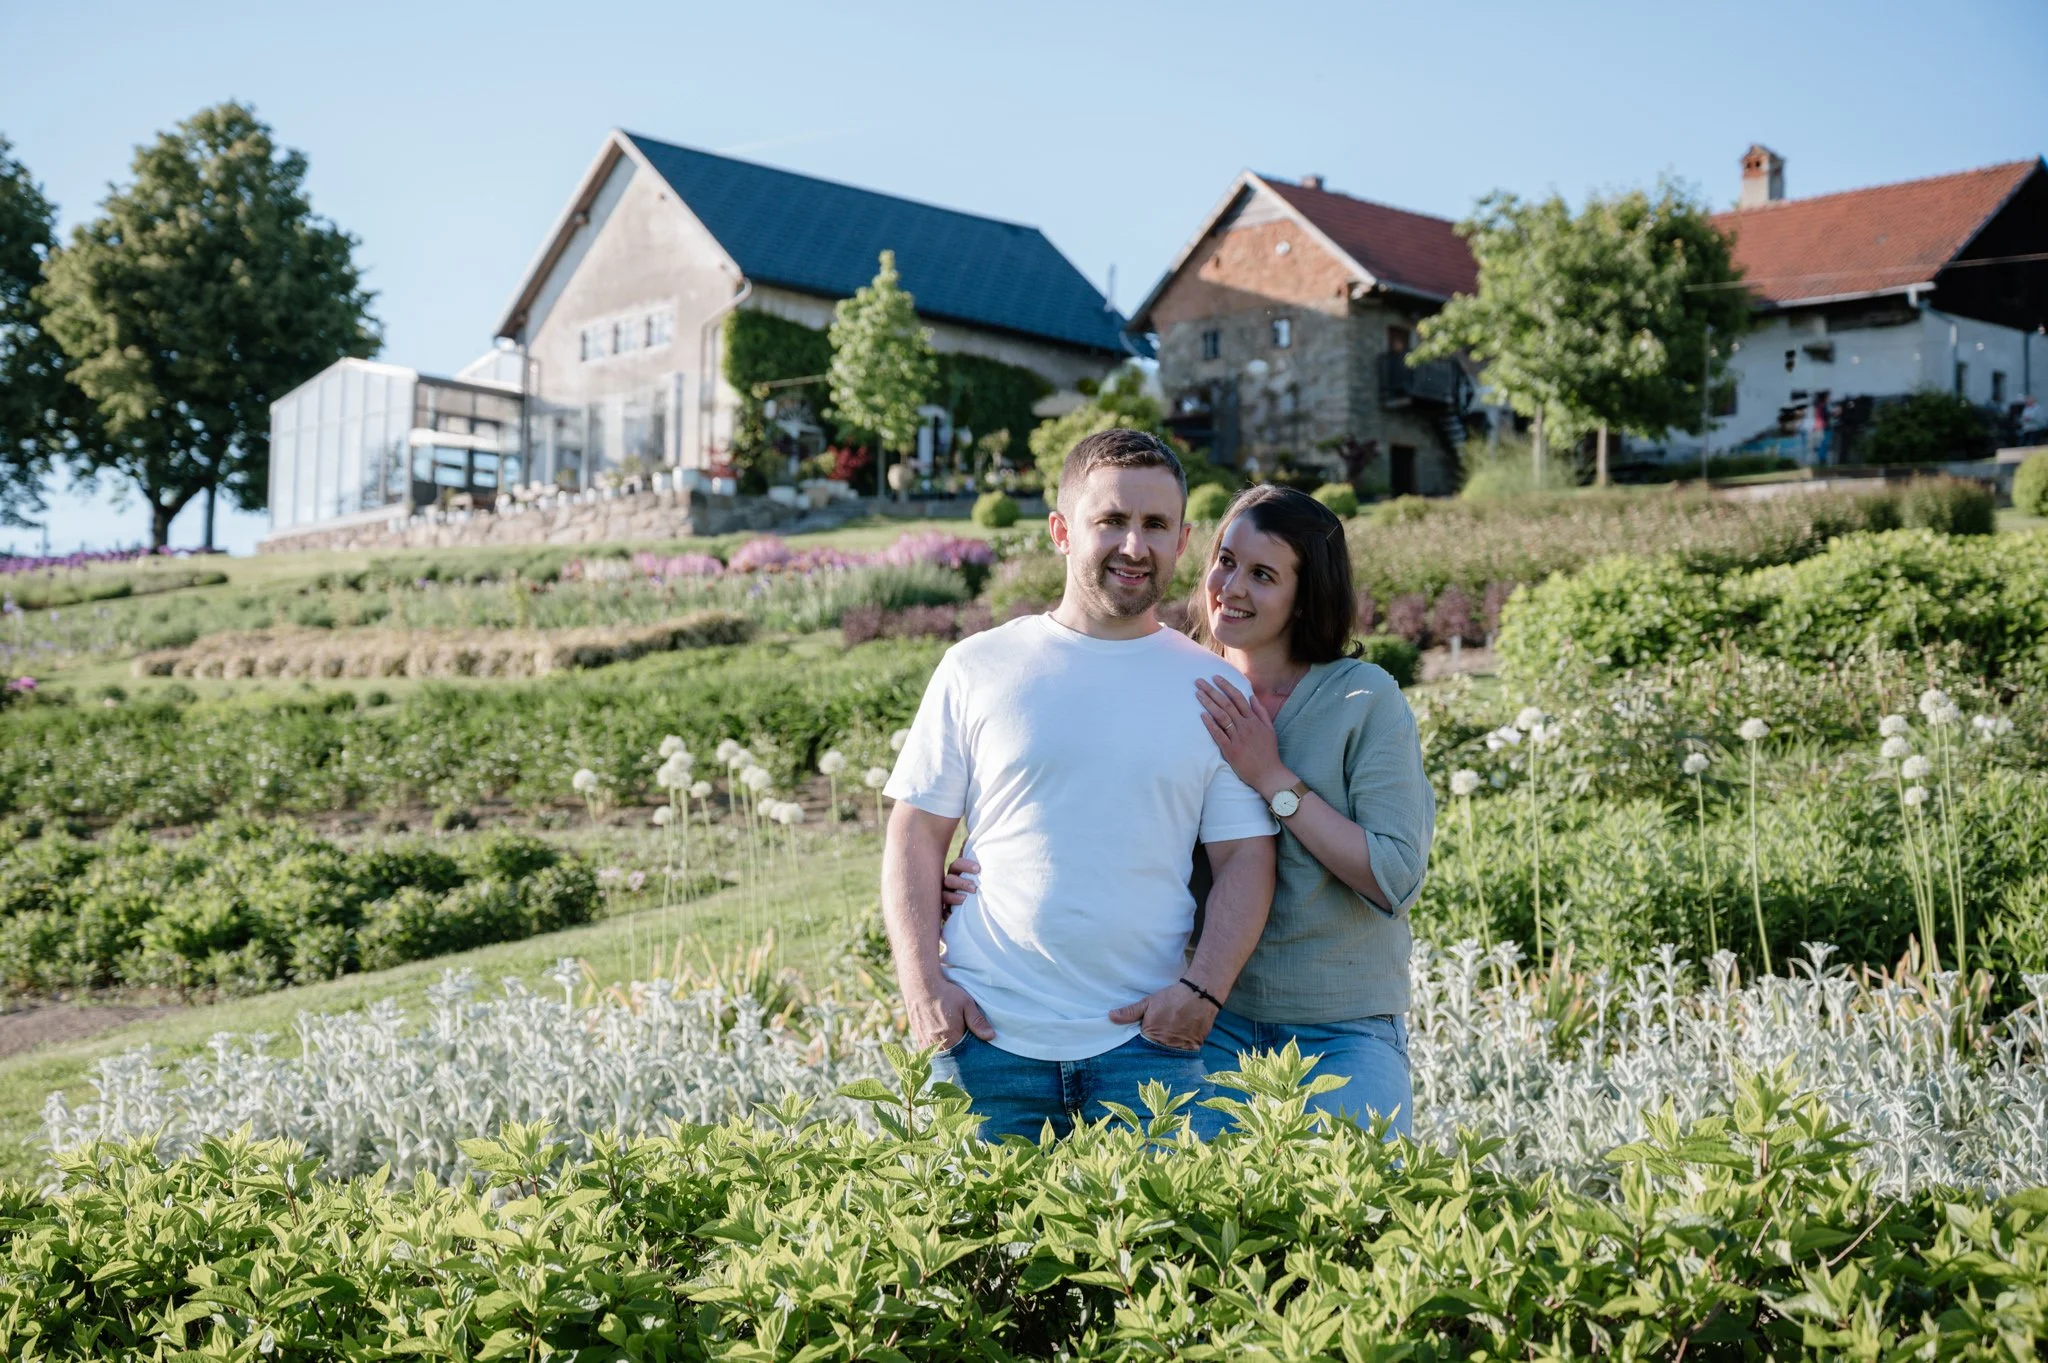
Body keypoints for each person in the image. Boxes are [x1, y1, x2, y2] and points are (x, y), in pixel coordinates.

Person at [944, 484, 1434, 1135]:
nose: (1231, 586)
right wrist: (982, 877)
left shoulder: (1362, 700)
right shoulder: (1184, 685)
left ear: (1304, 593)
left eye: (1263, 574)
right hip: (1211, 1021)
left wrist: (1272, 779)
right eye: (1225, 561)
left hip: (1341, 1027)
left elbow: (1393, 875)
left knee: (1362, 1206)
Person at [881, 428, 1278, 1141]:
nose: (1135, 545)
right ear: (1063, 531)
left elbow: (1246, 858)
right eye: (1112, 521)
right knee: (968, 1254)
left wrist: (1203, 990)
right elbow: (914, 830)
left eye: (1155, 525)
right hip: (984, 1044)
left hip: (1149, 1054)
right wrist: (922, 986)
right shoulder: (978, 667)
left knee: (1162, 1257)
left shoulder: (1214, 686)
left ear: (1182, 539)